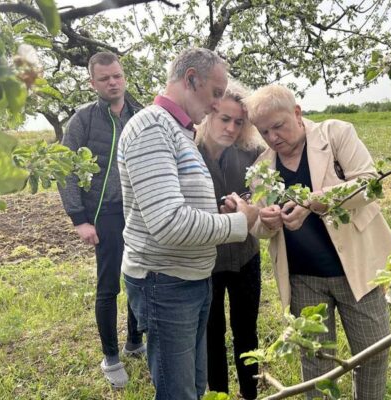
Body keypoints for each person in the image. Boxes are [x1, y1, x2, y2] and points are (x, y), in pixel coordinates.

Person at [117, 48, 259, 400]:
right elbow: (168, 223)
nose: (216, 106)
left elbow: (179, 208)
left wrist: (222, 216)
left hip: (189, 280)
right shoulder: (151, 128)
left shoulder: (179, 132)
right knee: (178, 392)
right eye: (214, 93)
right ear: (190, 78)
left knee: (195, 388)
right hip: (165, 284)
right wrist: (240, 223)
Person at [242, 85, 391, 400]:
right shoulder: (261, 168)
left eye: (279, 126)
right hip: (303, 280)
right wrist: (266, 222)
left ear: (297, 113)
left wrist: (315, 200)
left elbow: (369, 184)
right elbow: (260, 228)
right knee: (315, 362)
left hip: (356, 269)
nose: (273, 137)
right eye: (264, 131)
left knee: (372, 352)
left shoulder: (336, 134)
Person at [58, 52, 145, 389]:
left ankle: (135, 341)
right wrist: (79, 219)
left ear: (124, 77)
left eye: (117, 76)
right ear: (93, 83)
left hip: (138, 212)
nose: (112, 82)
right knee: (109, 286)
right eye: (105, 78)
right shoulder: (83, 120)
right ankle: (111, 356)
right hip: (104, 213)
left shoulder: (140, 115)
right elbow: (64, 170)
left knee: (140, 276)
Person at [195, 81, 265, 400]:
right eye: (225, 118)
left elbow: (267, 192)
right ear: (209, 113)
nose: (232, 127)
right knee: (212, 333)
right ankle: (219, 393)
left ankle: (250, 393)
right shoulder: (190, 152)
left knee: (246, 330)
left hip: (245, 255)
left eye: (239, 121)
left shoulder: (252, 152)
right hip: (206, 260)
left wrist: (250, 204)